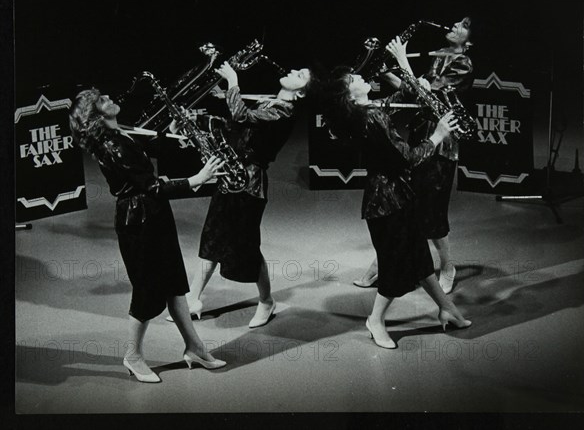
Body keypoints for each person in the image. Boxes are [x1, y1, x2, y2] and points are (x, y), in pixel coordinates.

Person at [69, 88, 227, 383]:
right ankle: (133, 356)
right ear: (96, 115)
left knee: (174, 285)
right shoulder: (113, 144)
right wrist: (197, 179)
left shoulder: (119, 134)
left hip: (152, 215)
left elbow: (149, 153)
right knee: (147, 294)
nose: (110, 99)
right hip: (138, 223)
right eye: (103, 100)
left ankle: (195, 348)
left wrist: (170, 131)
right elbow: (152, 186)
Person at [322, 37, 471, 349]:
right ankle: (375, 320)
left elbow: (404, 94)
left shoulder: (366, 110)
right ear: (350, 94)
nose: (362, 78)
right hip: (387, 204)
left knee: (418, 258)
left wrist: (404, 67)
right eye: (355, 79)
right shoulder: (370, 116)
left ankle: (449, 310)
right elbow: (409, 157)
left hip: (393, 198)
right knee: (396, 269)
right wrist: (438, 134)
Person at [170, 63, 318, 328]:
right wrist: (195, 120)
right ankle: (193, 298)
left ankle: (266, 301)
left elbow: (240, 116)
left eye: (300, 75)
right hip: (231, 174)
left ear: (302, 93)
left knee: (248, 248)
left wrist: (233, 81)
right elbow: (233, 124)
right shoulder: (269, 103)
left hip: (250, 184)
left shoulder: (284, 112)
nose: (293, 71)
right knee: (213, 235)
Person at [354, 17, 474, 294]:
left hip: (442, 142)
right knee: (406, 206)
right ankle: (383, 265)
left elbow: (430, 97)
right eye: (455, 22)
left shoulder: (463, 64)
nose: (454, 26)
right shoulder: (440, 58)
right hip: (423, 138)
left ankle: (447, 266)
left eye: (463, 26)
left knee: (432, 211)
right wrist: (386, 72)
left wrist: (402, 58)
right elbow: (415, 91)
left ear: (470, 40)